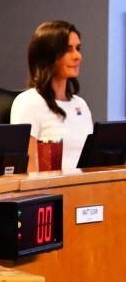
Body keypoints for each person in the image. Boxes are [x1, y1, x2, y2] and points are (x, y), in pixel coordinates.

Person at [10, 20, 93, 171]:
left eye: (78, 48)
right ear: (48, 54)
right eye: (68, 49)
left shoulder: (80, 104)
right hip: (52, 193)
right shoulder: (29, 102)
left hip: (87, 191)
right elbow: (28, 169)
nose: (77, 56)